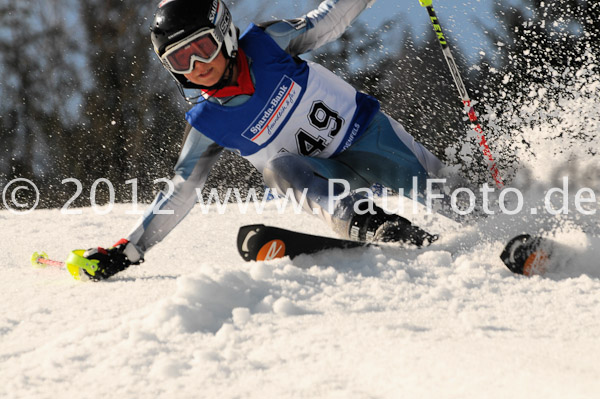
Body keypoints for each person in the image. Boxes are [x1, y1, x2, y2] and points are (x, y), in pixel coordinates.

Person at [82, 0, 450, 280]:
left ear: (224, 32)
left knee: (455, 198)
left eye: (203, 49)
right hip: (323, 178)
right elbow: (181, 190)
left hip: (371, 139)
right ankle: (364, 221)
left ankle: (490, 206)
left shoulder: (266, 44)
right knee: (278, 169)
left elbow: (326, 23)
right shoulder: (207, 121)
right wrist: (129, 249)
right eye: (180, 61)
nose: (197, 67)